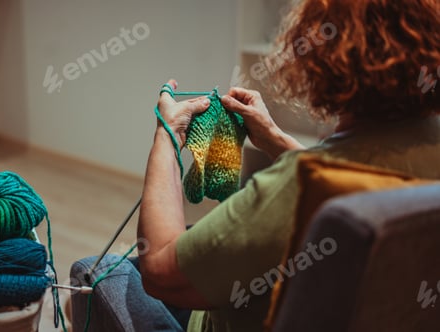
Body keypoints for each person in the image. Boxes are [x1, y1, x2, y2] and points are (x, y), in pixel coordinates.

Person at [71, 0, 440, 331]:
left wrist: (167, 136)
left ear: (326, 64)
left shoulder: (291, 188)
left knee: (95, 271)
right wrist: (274, 137)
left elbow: (160, 272)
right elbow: (346, 178)